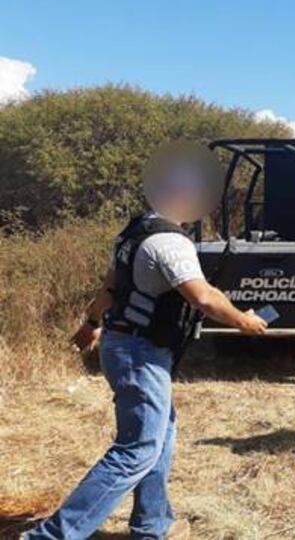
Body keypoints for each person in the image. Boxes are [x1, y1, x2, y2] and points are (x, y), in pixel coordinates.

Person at [25, 144, 268, 540]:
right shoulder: (170, 242)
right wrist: (245, 321)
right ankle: (51, 536)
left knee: (159, 436)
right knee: (136, 450)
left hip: (126, 345)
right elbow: (203, 298)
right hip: (140, 353)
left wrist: (91, 322)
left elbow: (111, 286)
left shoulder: (134, 231)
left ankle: (152, 525)